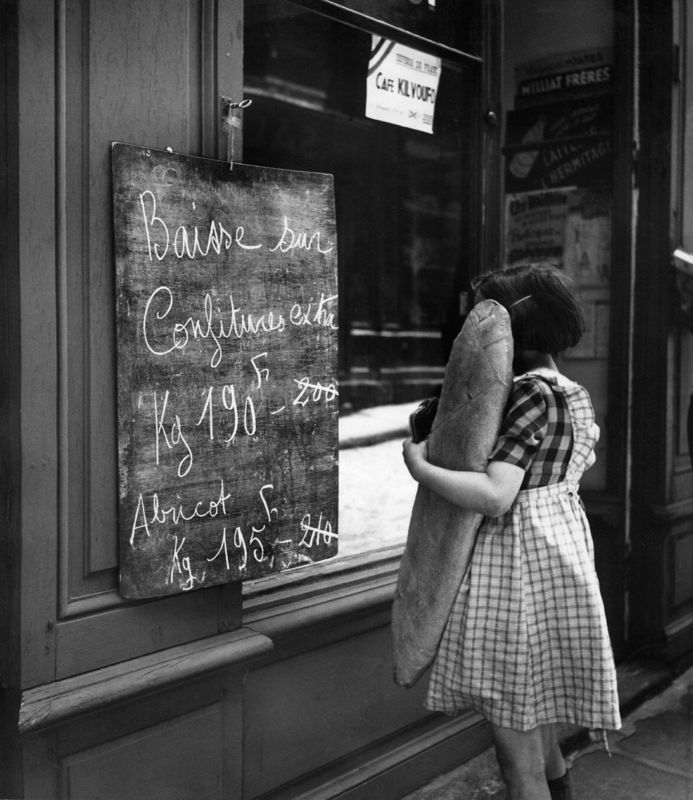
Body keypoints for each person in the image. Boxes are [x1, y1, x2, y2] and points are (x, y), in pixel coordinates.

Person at [402, 263, 621, 800]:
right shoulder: (571, 392)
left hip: (515, 570)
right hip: (556, 557)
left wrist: (419, 466)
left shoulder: (529, 395)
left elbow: (498, 495)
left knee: (515, 754)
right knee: (539, 732)